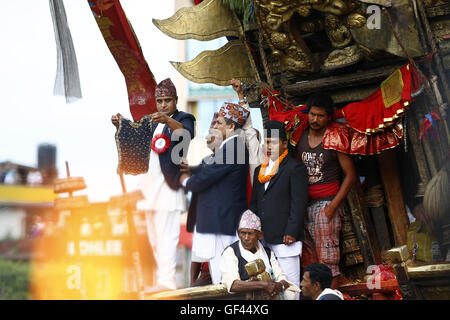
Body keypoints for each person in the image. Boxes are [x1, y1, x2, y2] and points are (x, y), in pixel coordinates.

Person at [112, 78, 196, 291]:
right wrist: (120, 125)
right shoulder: (151, 122)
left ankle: (167, 282)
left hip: (168, 187)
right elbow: (132, 141)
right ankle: (162, 279)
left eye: (167, 100)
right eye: (160, 100)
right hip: (147, 189)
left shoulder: (184, 118)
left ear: (176, 100)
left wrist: (167, 120)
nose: (163, 104)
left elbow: (185, 135)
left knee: (167, 237)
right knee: (155, 240)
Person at [180, 102, 249, 285]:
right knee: (223, 276)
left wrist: (186, 181)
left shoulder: (233, 148)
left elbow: (208, 175)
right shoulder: (231, 147)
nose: (215, 126)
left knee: (225, 278)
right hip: (221, 220)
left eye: (219, 123)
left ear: (231, 126)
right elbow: (209, 167)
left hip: (223, 221)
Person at [294, 93, 357, 288]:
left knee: (328, 261)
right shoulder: (301, 138)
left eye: (320, 116)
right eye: (312, 114)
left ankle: (330, 294)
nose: (315, 119)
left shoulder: (334, 138)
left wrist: (332, 207)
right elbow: (296, 173)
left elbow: (350, 176)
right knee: (310, 260)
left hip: (326, 204)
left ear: (329, 117)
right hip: (305, 205)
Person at [249, 120, 309, 298]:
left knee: (289, 286)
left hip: (286, 237)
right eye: (266, 142)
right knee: (267, 287)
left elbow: (299, 203)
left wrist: (291, 231)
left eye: (273, 142)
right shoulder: (259, 170)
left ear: (284, 144)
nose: (269, 146)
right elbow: (254, 203)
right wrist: (255, 231)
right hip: (263, 238)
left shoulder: (295, 168)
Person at [220, 209, 300, 300]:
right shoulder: (231, 252)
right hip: (242, 297)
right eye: (243, 233)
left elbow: (282, 279)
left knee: (290, 294)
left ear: (260, 235)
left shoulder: (268, 253)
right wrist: (263, 285)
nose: (246, 238)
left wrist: (275, 288)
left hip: (269, 294)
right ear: (238, 234)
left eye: (250, 234)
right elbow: (233, 284)